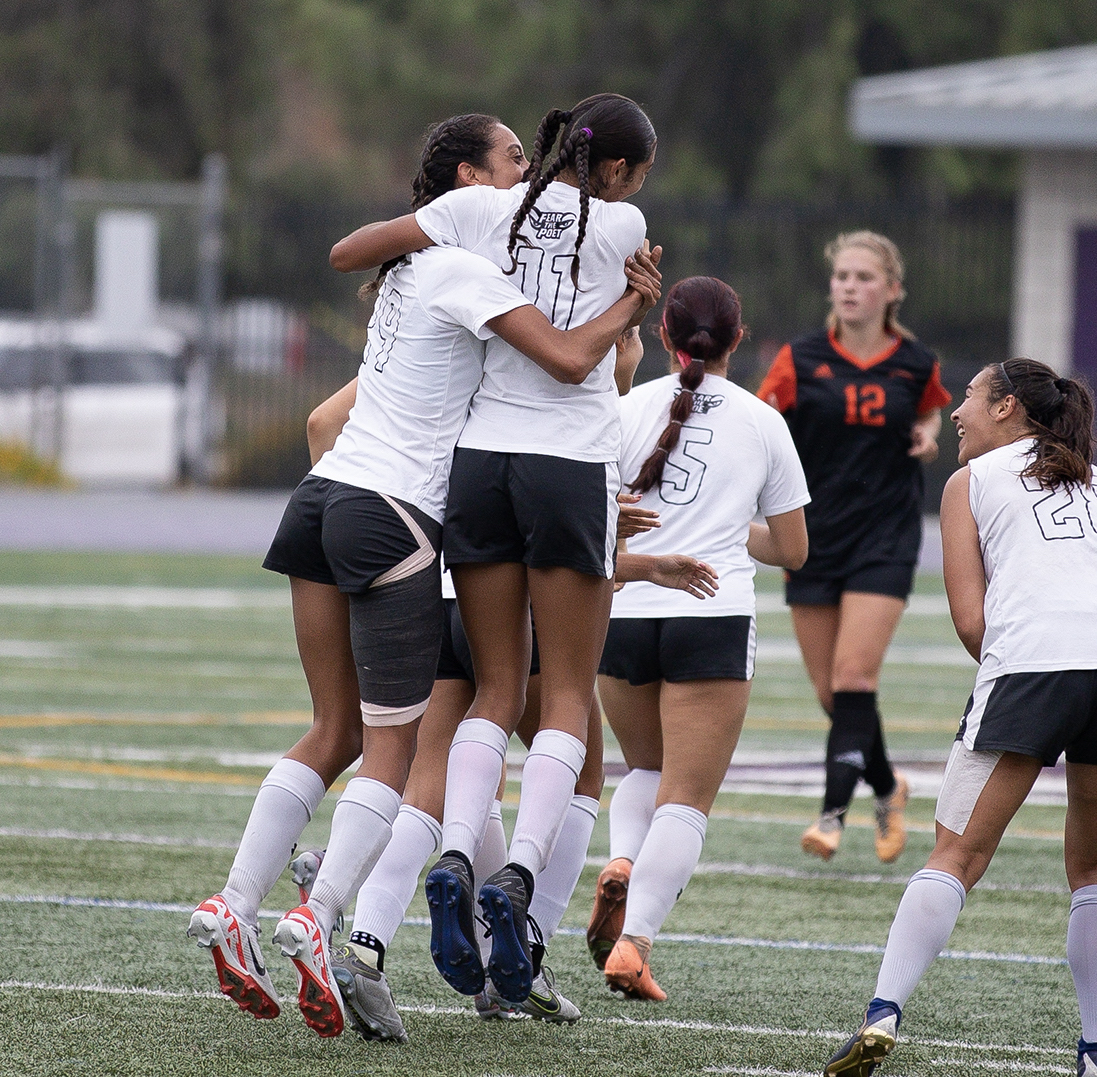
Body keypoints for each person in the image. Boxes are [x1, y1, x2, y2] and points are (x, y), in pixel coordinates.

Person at [187, 112, 662, 1039]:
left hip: (321, 500)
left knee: (331, 730)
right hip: (395, 513)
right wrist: (630, 308)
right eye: (511, 159)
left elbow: (330, 390)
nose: (528, 172)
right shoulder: (473, 261)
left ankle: (230, 905)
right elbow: (571, 363)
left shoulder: (413, 266)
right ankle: (321, 920)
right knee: (397, 751)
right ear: (466, 180)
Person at [329, 92, 660, 1006]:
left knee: (492, 686)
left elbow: (357, 249)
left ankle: (449, 854)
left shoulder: (477, 208)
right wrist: (634, 294)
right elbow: (594, 358)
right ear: (625, 171)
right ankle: (513, 875)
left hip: (479, 462)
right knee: (565, 701)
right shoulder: (625, 220)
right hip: (568, 462)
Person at [296, 327, 716, 1037]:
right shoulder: (578, 393)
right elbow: (571, 556)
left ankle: (361, 936)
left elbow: (322, 424)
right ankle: (527, 947)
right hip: (522, 614)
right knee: (580, 767)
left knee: (431, 784)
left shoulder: (453, 359)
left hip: (438, 586)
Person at [824, 358, 1097, 1077]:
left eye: (970, 397)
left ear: (1009, 408)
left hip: (1031, 665)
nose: (956, 411)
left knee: (955, 855)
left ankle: (882, 1012)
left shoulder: (970, 482)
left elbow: (971, 617)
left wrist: (1024, 682)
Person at [589, 276, 810, 1000]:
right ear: (738, 340)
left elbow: (594, 522)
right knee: (686, 799)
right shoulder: (761, 420)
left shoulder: (622, 411)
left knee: (643, 772)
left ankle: (621, 859)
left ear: (662, 337)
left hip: (624, 612)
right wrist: (726, 524)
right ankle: (636, 943)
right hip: (712, 615)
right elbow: (793, 550)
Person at [757, 230, 951, 863]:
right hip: (813, 535)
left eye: (864, 277)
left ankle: (832, 815)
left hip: (885, 534)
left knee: (853, 676)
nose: (850, 287)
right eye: (842, 276)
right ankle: (890, 785)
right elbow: (757, 421)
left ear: (891, 290)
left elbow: (930, 412)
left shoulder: (916, 362)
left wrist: (926, 435)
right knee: (834, 697)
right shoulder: (800, 357)